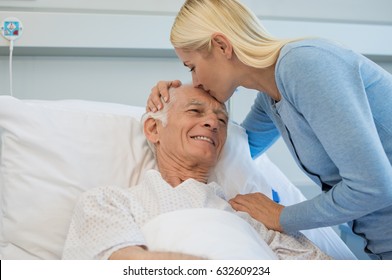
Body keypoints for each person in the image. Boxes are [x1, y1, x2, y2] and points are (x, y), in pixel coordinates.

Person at [146, 0, 392, 260]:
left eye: (192, 67)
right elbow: (235, 149)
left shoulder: (305, 65)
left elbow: (374, 187)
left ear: (221, 46)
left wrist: (281, 216)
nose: (195, 80)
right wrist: (173, 100)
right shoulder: (271, 97)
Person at [62, 84, 331, 260]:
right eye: (194, 111)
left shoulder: (250, 214)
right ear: (154, 129)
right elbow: (124, 265)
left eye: (222, 120)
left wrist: (281, 218)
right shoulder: (110, 202)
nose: (213, 123)